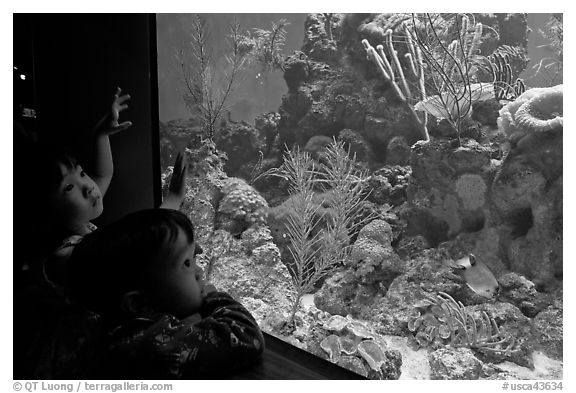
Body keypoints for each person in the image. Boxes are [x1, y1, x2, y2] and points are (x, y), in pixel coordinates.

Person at [66, 208, 265, 379]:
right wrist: (213, 296)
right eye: (186, 263)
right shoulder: (149, 344)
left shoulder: (103, 321)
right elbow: (246, 336)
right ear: (138, 305)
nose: (199, 271)